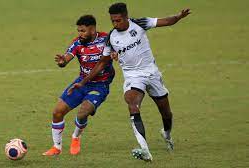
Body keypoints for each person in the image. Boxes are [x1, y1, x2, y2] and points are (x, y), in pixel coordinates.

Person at [68, 3, 191, 161]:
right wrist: (83, 82)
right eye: (113, 21)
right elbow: (101, 63)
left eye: (118, 20)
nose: (115, 24)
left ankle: (166, 133)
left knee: (166, 113)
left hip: (152, 73)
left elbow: (165, 21)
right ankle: (144, 149)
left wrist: (178, 17)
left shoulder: (140, 23)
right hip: (133, 77)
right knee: (132, 103)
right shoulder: (111, 38)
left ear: (126, 17)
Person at [42, 15, 114, 156]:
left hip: (99, 85)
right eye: (78, 31)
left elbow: (111, 57)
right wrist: (62, 61)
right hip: (81, 83)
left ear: (92, 30)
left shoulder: (106, 39)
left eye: (82, 31)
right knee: (57, 112)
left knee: (83, 112)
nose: (79, 34)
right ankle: (57, 147)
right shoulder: (77, 42)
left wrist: (117, 54)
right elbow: (67, 58)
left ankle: (76, 137)